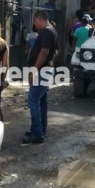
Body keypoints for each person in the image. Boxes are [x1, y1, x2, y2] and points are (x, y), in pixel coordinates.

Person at [23, 10, 57, 145]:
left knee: (33, 100)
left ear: (39, 19)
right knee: (42, 101)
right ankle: (39, 130)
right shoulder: (52, 30)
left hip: (42, 71)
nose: (34, 25)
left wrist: (34, 70)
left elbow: (44, 52)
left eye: (35, 22)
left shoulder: (46, 32)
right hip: (46, 70)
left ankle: (38, 134)